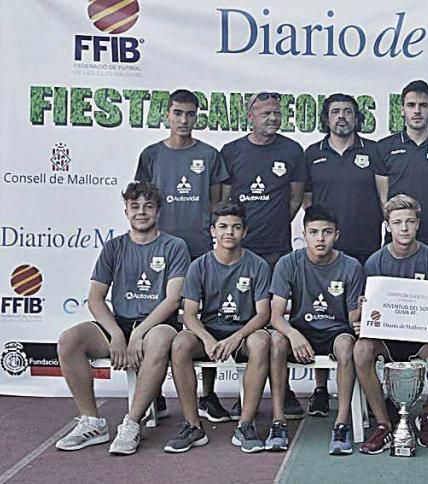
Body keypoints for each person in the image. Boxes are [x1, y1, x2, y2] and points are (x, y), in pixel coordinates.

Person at [54, 182, 189, 455]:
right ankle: (93, 422)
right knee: (69, 340)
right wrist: (116, 333)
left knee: (161, 339)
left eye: (148, 207)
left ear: (158, 212)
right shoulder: (114, 247)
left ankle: (132, 423)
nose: (141, 212)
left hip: (156, 324)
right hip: (121, 322)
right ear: (126, 211)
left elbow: (173, 300)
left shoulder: (175, 246)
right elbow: (95, 298)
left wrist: (139, 333)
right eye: (135, 207)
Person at [219, 91, 308, 422]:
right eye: (265, 113)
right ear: (250, 116)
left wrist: (275, 222)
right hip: (241, 254)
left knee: (277, 325)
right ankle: (246, 395)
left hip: (277, 252)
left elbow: (296, 198)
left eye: (277, 113)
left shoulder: (292, 151)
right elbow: (225, 202)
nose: (272, 118)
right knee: (246, 323)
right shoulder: (232, 152)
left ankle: (285, 396)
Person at [164, 202, 273, 454]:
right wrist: (208, 339)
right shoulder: (198, 265)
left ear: (245, 231)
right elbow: (189, 314)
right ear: (213, 230)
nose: (229, 232)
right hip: (209, 333)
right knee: (180, 343)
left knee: (262, 341)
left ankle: (245, 425)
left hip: (243, 334)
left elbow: (263, 314)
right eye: (223, 227)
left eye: (236, 227)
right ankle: (192, 425)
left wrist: (237, 337)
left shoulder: (258, 265)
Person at [303, 94, 384, 416]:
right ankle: (321, 389)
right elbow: (307, 203)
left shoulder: (373, 151)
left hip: (365, 247)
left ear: (356, 118)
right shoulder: (312, 154)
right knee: (323, 316)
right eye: (335, 112)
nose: (341, 117)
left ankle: (371, 387)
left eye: (348, 112)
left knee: (360, 323)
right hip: (326, 251)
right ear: (326, 118)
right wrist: (321, 237)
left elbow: (383, 197)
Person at [355, 194, 428, 453]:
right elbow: (366, 312)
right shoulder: (375, 262)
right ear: (388, 226)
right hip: (387, 340)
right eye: (397, 222)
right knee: (361, 350)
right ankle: (384, 424)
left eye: (410, 221)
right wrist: (364, 315)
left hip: (423, 341)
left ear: (418, 224)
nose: (404, 227)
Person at [268, 205, 365, 455]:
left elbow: (353, 317)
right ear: (304, 234)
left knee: (347, 344)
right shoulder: (287, 263)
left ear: (337, 235)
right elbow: (275, 316)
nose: (320, 238)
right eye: (314, 232)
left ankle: (342, 424)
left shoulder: (352, 266)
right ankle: (278, 422)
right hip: (301, 331)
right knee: (277, 341)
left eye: (327, 232)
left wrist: (363, 316)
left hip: (335, 332)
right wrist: (293, 334)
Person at [134, 89, 229, 260]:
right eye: (177, 113)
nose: (184, 120)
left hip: (199, 246)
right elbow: (143, 201)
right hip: (159, 245)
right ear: (167, 116)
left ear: (196, 118)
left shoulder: (210, 154)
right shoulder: (151, 154)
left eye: (190, 114)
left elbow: (216, 203)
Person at [375, 80, 428, 256]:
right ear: (401, 110)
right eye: (411, 105)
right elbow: (384, 201)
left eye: (423, 105)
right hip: (398, 242)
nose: (417, 111)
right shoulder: (384, 147)